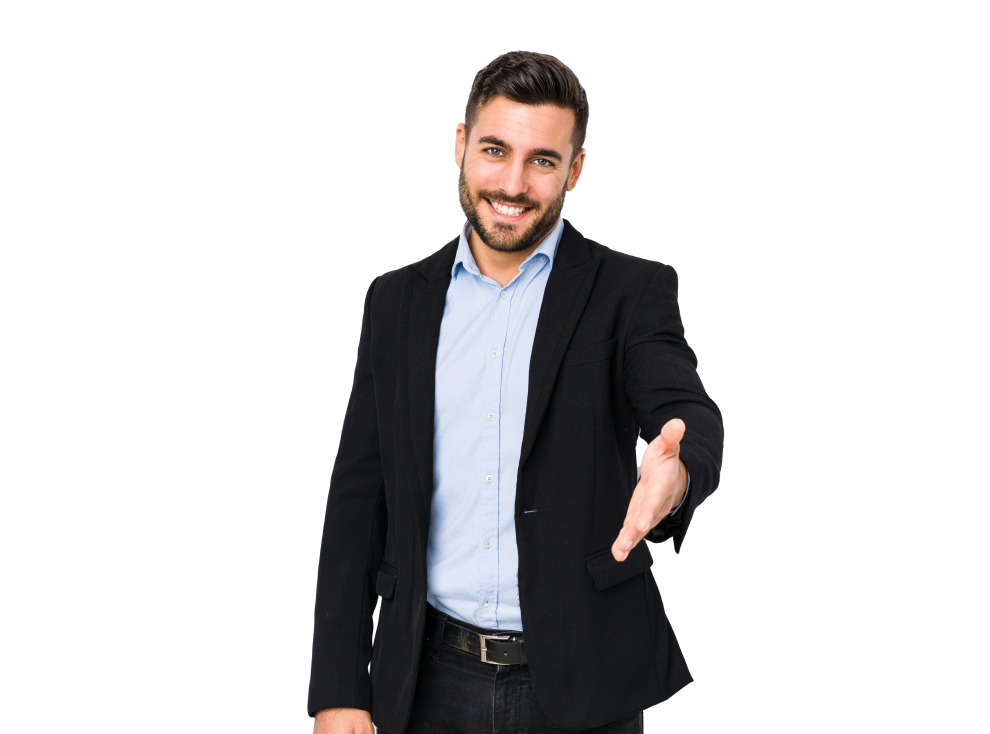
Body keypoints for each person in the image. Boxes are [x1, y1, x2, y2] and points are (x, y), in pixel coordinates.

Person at [310, 50, 724, 734]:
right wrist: (337, 689)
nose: (512, 182)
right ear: (459, 144)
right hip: (426, 681)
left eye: (542, 160)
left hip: (583, 683)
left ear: (576, 168)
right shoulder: (395, 300)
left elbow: (687, 408)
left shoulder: (630, 290)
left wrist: (677, 473)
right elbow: (359, 496)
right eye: (495, 150)